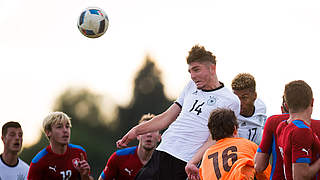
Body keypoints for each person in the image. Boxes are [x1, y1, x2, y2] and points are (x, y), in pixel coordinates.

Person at [117, 45, 240, 180]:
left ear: (212, 68)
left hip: (184, 162)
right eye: (190, 71)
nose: (192, 76)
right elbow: (167, 117)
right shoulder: (191, 86)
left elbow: (214, 139)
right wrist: (136, 131)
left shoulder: (230, 100)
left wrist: (193, 162)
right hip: (162, 152)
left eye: (196, 70)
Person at [188, 108, 270, 180]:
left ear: (211, 132)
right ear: (235, 129)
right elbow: (266, 173)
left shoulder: (207, 154)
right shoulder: (248, 144)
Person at [255, 97, 320, 179]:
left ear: (283, 107)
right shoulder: (318, 125)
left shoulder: (273, 121)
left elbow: (259, 166)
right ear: (310, 105)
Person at [27, 112, 93, 180]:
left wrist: (85, 175)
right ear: (48, 132)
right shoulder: (39, 161)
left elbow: (87, 178)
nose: (65, 130)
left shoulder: (79, 152)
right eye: (59, 127)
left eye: (67, 126)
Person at [276, 80, 320, 180]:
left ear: (286, 106)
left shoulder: (282, 126)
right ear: (312, 102)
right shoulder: (302, 131)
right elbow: (300, 176)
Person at [98, 113, 161, 180]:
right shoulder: (119, 157)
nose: (149, 134)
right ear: (138, 135)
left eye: (153, 130)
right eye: (145, 130)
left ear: (159, 137)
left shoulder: (165, 164)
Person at [231, 73, 267, 144]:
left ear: (255, 96)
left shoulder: (261, 108)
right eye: (236, 98)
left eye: (244, 97)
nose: (239, 103)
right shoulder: (229, 112)